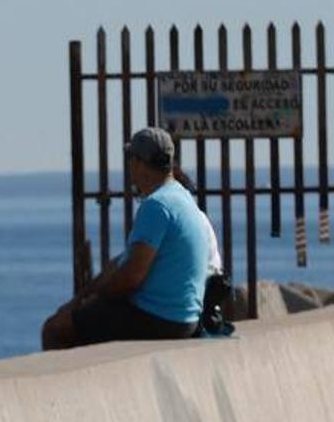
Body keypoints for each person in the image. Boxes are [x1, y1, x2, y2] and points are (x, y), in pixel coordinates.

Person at [42, 127, 209, 349]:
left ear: (139, 163)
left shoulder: (157, 205)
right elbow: (125, 263)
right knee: (84, 315)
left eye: (131, 159)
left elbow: (131, 277)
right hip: (185, 319)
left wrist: (95, 298)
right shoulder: (182, 197)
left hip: (160, 321)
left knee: (56, 328)